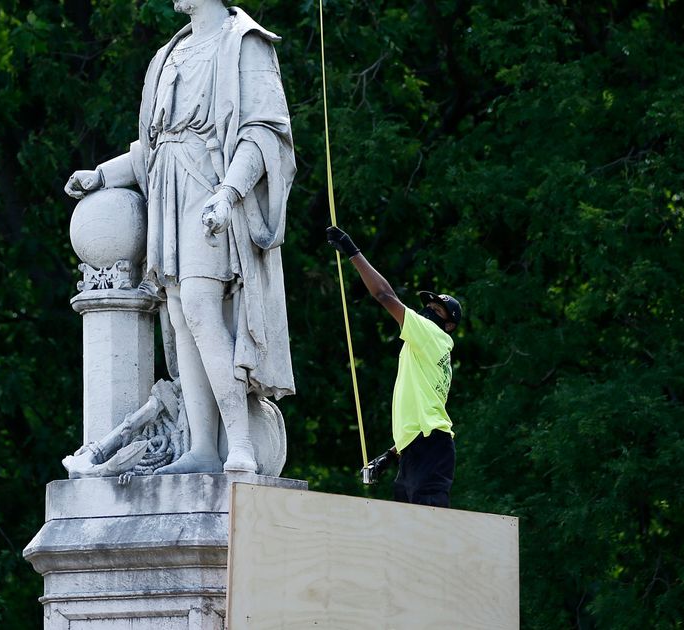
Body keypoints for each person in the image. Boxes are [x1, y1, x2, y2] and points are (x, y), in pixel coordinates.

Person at [64, 0, 296, 473]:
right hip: (167, 195)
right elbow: (153, 147)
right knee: (180, 316)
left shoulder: (243, 44)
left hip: (208, 189)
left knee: (200, 308)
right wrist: (103, 175)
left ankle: (243, 446)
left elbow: (264, 134)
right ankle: (203, 450)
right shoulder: (169, 54)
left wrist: (229, 193)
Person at [326, 225, 462, 507]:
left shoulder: (433, 335)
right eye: (428, 307)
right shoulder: (427, 351)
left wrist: (353, 252)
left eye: (436, 311)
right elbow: (420, 414)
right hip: (417, 448)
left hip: (430, 449)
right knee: (405, 529)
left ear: (448, 326)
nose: (427, 312)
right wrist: (391, 455)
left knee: (428, 529)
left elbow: (384, 296)